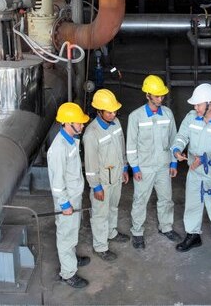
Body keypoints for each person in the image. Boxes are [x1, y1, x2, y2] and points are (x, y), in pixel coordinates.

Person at [171, 83, 211, 262]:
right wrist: (177, 149)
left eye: (198, 104)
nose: (195, 107)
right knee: (192, 204)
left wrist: (205, 158)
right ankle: (193, 235)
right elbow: (182, 136)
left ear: (210, 104)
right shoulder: (192, 117)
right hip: (194, 172)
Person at [126, 75, 182, 249]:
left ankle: (166, 227)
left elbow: (174, 140)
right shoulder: (136, 117)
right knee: (140, 200)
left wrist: (173, 163)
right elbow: (131, 146)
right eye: (157, 96)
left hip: (163, 166)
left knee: (166, 199)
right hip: (144, 167)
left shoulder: (168, 114)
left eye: (162, 95)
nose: (160, 98)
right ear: (148, 95)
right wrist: (134, 167)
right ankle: (137, 232)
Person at [47, 102, 91, 288]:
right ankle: (68, 273)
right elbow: (56, 184)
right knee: (66, 235)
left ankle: (70, 259)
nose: (82, 125)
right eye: (79, 123)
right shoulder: (58, 149)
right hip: (67, 200)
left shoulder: (71, 140)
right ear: (67, 123)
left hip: (74, 196)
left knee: (73, 231)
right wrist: (64, 204)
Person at [83, 89, 130, 261]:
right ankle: (101, 246)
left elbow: (121, 146)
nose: (113, 114)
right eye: (109, 112)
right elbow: (90, 164)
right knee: (100, 214)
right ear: (99, 111)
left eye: (114, 111)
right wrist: (96, 186)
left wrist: (125, 168)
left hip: (116, 177)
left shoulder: (116, 123)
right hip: (102, 182)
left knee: (113, 207)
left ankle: (111, 233)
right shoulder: (91, 134)